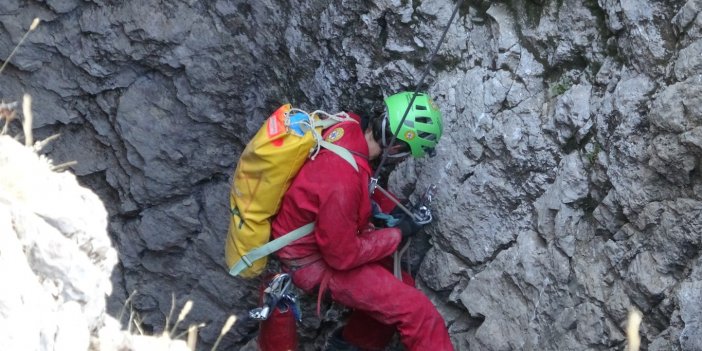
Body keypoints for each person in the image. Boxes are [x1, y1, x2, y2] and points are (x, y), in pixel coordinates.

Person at [270, 91, 453, 351]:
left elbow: (357, 189)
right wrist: (398, 233)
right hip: (311, 262)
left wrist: (390, 213)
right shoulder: (343, 179)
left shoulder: (348, 126)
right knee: (419, 312)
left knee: (403, 286)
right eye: (407, 154)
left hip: (310, 238)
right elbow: (342, 256)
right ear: (397, 147)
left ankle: (351, 346)